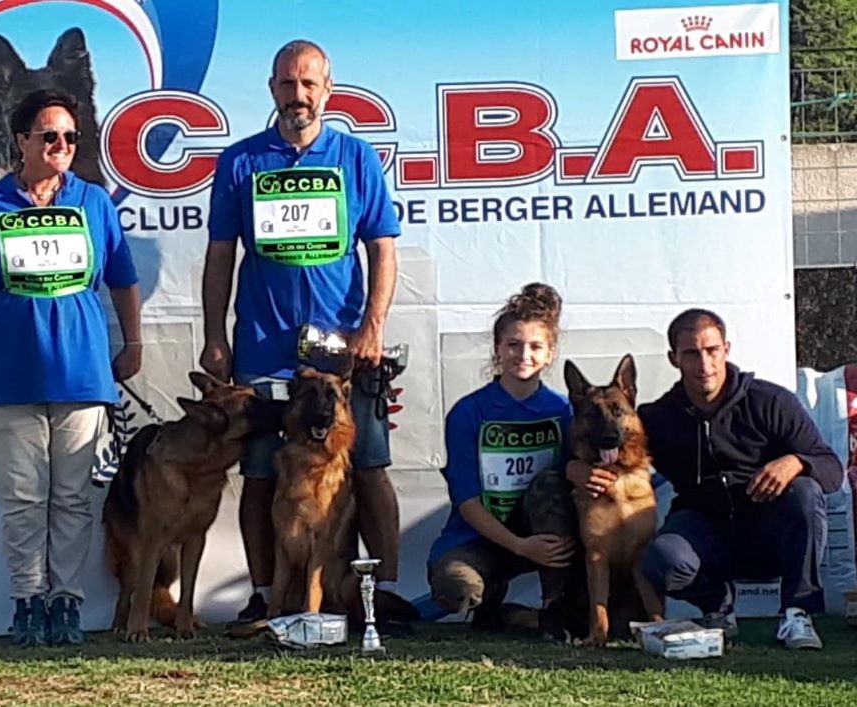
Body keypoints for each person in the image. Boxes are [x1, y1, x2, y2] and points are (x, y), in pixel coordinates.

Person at [201, 39, 404, 622]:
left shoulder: (356, 158)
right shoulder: (239, 162)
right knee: (262, 474)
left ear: (327, 90)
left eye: (309, 84)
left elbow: (383, 249)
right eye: (288, 84)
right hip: (265, 348)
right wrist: (217, 336)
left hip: (342, 351)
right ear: (272, 90)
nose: (299, 96)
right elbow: (220, 257)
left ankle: (379, 594)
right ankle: (266, 596)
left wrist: (373, 326)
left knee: (367, 468)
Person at [0, 89, 142, 646]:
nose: (62, 145)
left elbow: (122, 279)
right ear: (21, 141)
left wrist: (135, 343)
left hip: (82, 374)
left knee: (73, 497)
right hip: (10, 376)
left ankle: (66, 603)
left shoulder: (94, 202)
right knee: (25, 497)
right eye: (49, 135)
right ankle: (28, 600)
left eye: (71, 137)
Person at [568, 309, 842, 649]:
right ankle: (717, 608)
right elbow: (603, 438)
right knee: (661, 557)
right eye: (691, 354)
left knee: (806, 492)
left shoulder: (772, 401)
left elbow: (831, 468)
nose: (704, 364)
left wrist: (795, 461)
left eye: (712, 350)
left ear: (726, 349)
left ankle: (797, 613)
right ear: (674, 359)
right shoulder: (658, 416)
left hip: (770, 530)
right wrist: (573, 468)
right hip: (707, 530)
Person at [426, 284, 584, 639]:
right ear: (498, 349)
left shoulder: (564, 411)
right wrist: (520, 546)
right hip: (479, 537)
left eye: (535, 346)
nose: (523, 354)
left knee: (550, 484)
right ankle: (493, 604)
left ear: (549, 353)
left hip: (544, 534)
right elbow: (466, 501)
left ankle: (553, 609)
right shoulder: (469, 412)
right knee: (455, 589)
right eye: (513, 344)